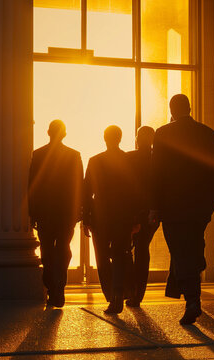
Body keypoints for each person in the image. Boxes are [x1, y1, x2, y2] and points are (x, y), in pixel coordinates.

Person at [149, 94, 214, 325]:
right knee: (191, 249)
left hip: (172, 208)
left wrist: (154, 207)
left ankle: (192, 299)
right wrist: (211, 204)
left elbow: (156, 174)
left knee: (180, 253)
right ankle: (193, 285)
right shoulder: (208, 133)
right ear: (190, 108)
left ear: (171, 110)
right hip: (199, 208)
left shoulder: (162, 134)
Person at [28, 120, 83, 308]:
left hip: (45, 212)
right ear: (64, 134)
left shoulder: (38, 155)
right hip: (66, 213)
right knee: (63, 249)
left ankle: (52, 286)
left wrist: (32, 213)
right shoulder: (74, 156)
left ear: (48, 132)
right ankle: (58, 288)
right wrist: (78, 211)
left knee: (47, 251)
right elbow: (79, 186)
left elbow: (32, 186)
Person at [83, 125, 138, 314]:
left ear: (105, 138)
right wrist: (135, 218)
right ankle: (118, 293)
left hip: (100, 216)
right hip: (122, 215)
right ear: (120, 138)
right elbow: (134, 191)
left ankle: (113, 295)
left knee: (103, 258)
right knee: (121, 254)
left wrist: (85, 218)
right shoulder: (128, 160)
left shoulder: (95, 161)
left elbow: (86, 192)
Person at [126, 126, 160, 307]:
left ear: (138, 139)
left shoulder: (129, 158)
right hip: (151, 212)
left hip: (132, 212)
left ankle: (131, 289)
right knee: (142, 250)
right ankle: (139, 293)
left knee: (128, 250)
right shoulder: (159, 159)